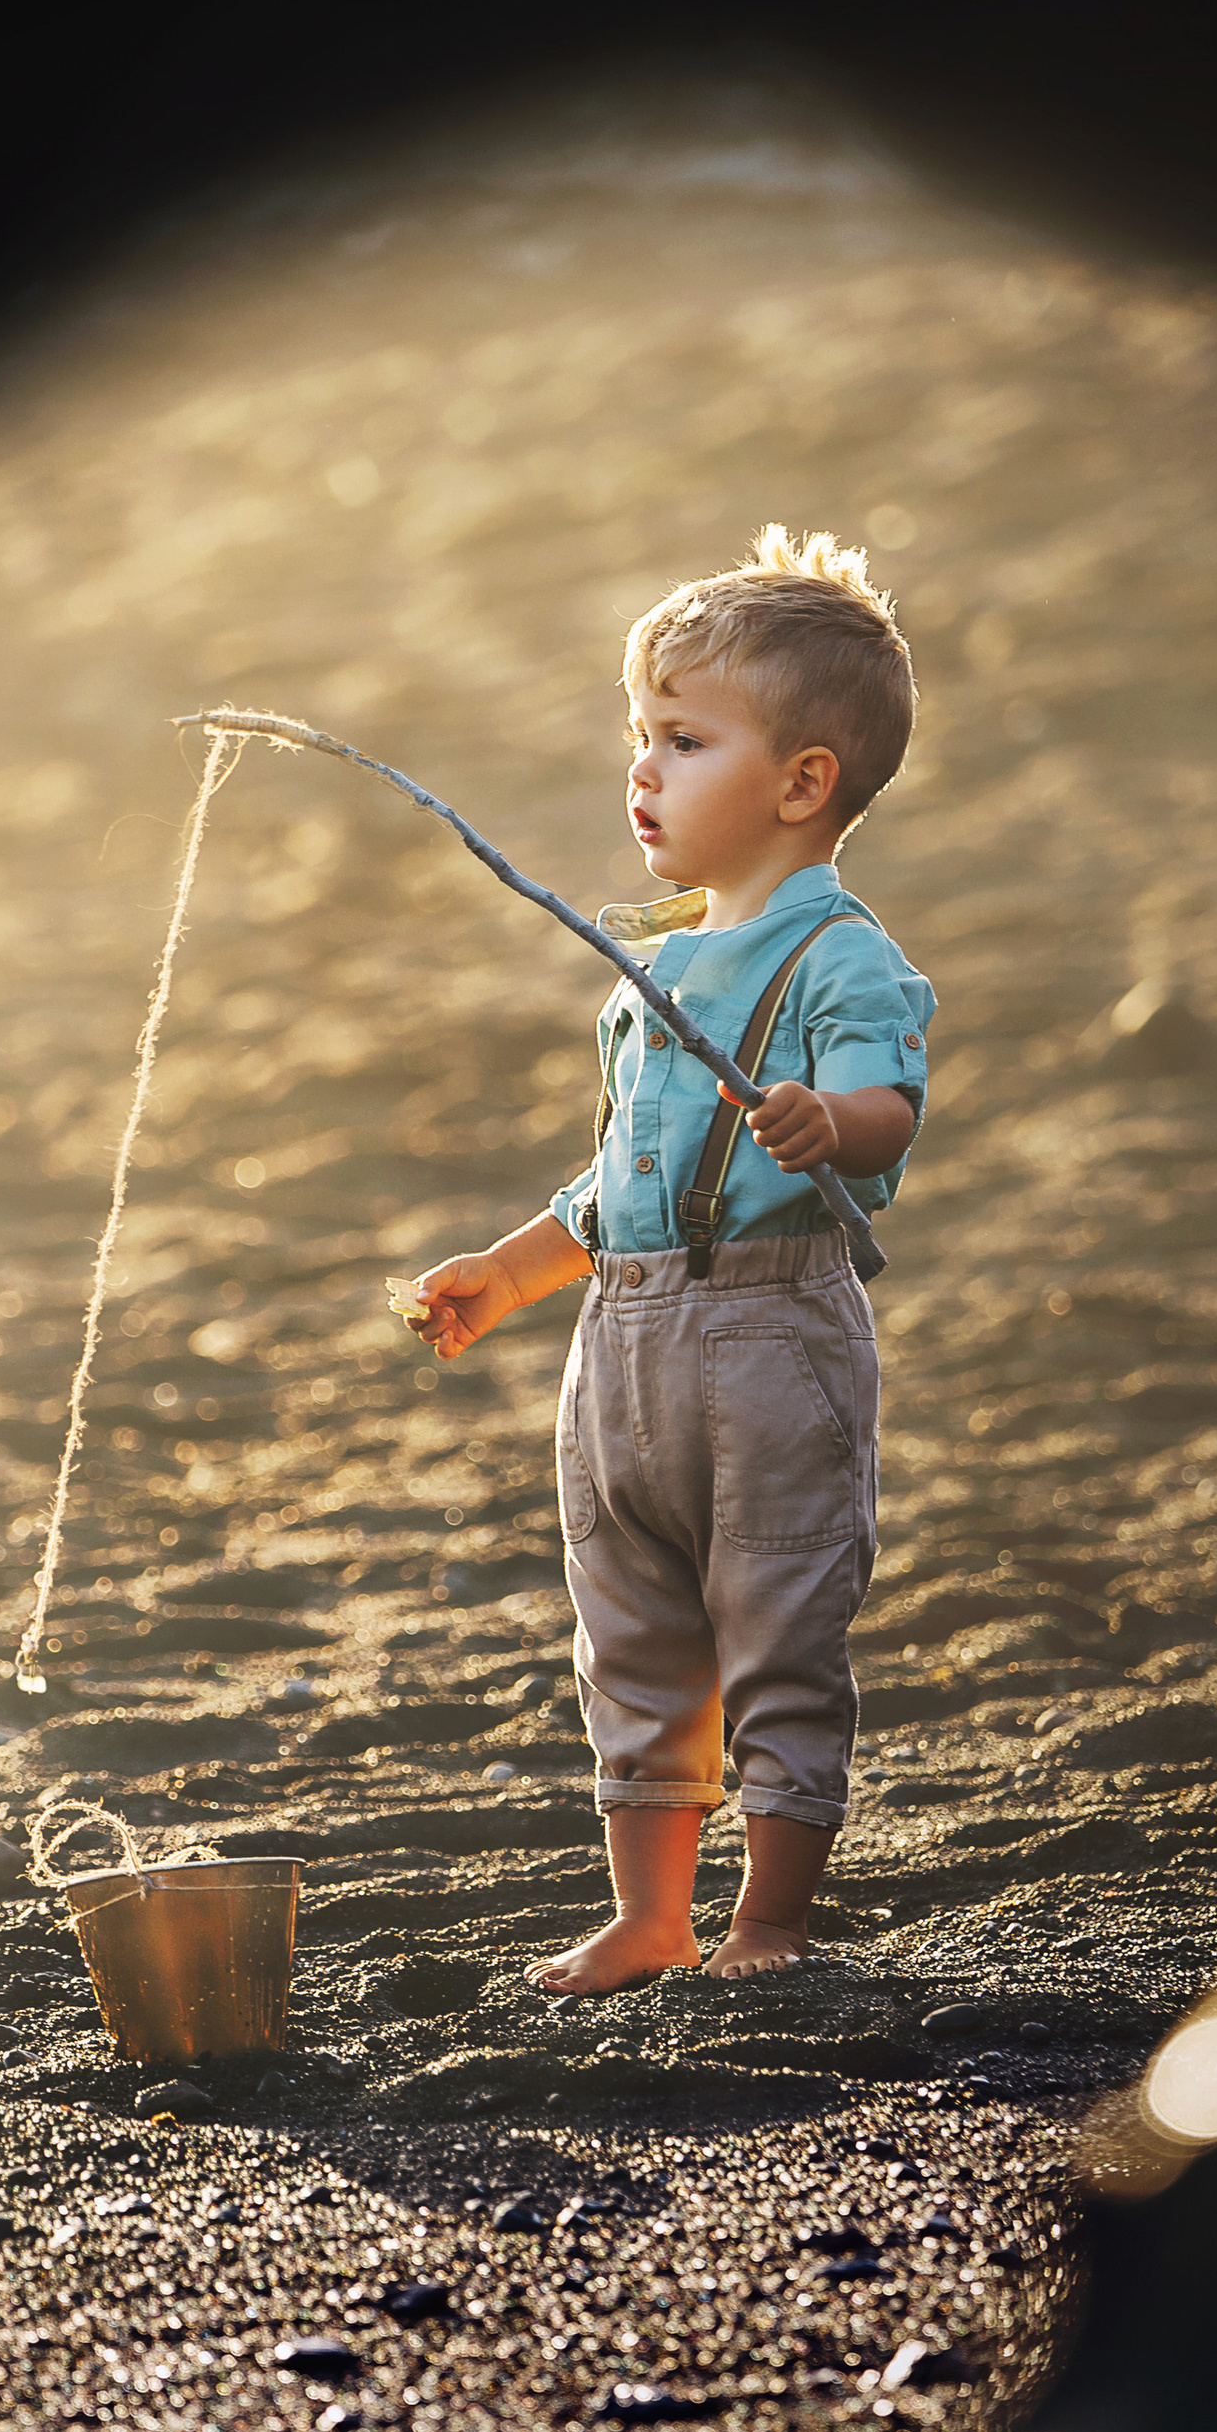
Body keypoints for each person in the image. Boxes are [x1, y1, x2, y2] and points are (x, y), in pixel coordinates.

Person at [404, 527, 935, 1994]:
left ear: (801, 782)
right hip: (624, 1347)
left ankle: (768, 1916)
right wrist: (508, 1273)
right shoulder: (655, 969)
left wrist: (836, 1119)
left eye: (683, 739)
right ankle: (651, 1914)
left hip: (772, 1341)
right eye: (640, 735)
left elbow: (892, 1104)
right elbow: (621, 1177)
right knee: (631, 1629)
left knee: (776, 1618)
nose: (641, 768)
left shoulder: (840, 957)